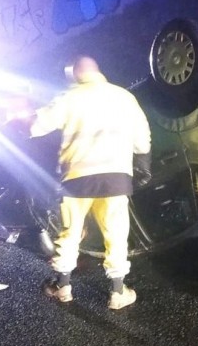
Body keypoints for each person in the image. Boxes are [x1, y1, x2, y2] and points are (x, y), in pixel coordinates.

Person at [29, 55, 151, 310]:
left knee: (70, 232)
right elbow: (142, 135)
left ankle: (62, 287)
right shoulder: (123, 97)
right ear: (98, 71)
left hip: (77, 177)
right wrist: (143, 162)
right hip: (115, 176)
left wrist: (25, 117)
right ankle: (118, 292)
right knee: (116, 233)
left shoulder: (69, 97)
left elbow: (37, 126)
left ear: (75, 74)